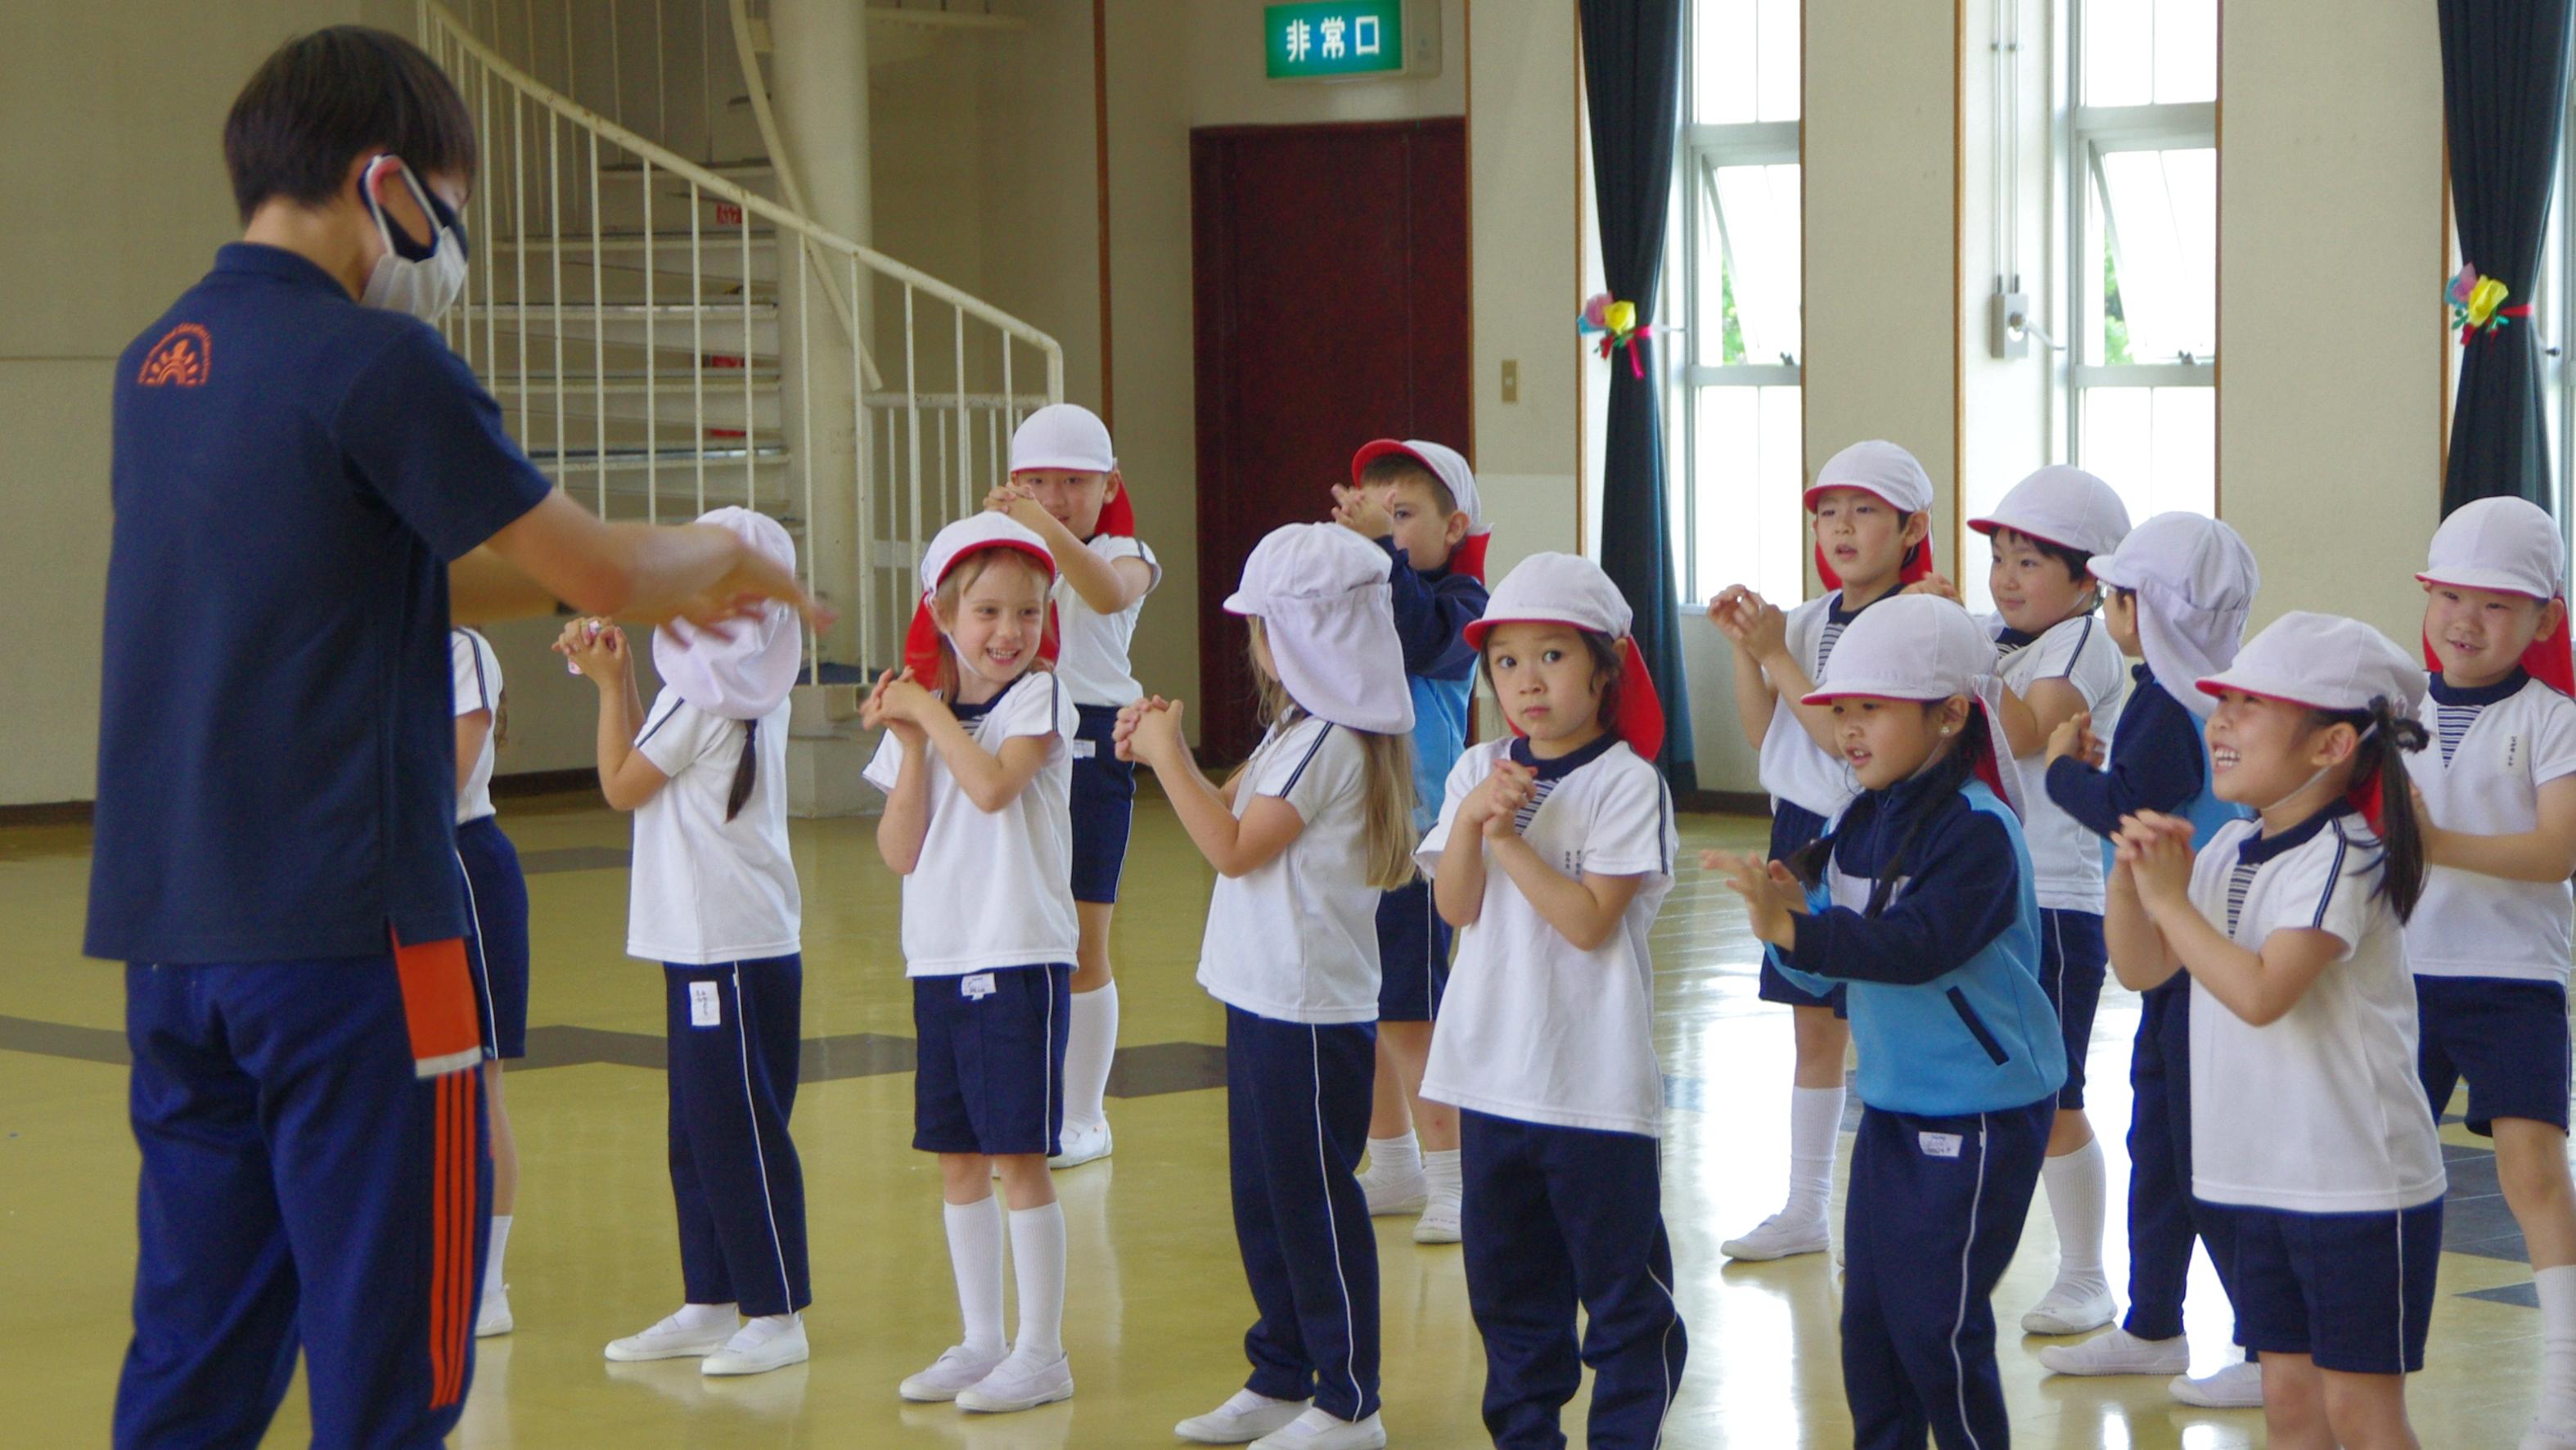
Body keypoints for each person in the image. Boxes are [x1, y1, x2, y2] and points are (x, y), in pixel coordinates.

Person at [91, 28, 819, 1448]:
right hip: (360, 937)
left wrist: (635, 569)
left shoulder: (158, 362)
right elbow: (600, 569)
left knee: (198, 1341)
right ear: (383, 184)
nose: (451, 238)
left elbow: (372, 564)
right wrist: (732, 561)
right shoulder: (381, 362)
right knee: (394, 1349)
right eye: (447, 200)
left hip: (176, 939)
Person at [1709, 593, 2065, 1449]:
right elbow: (1827, 944)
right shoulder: (1855, 818)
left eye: (1871, 707)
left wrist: (1800, 926)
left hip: (1980, 1112)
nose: (1847, 728)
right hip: (1895, 1106)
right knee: (1868, 1326)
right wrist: (1788, 924)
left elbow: (1916, 946)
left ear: (1948, 715)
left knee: (1934, 1324)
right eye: (1840, 708)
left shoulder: (1977, 832)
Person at [2105, 612, 2443, 1450]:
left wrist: (2169, 902)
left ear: (2331, 745)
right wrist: (2132, 885)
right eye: (2221, 703)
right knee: (2290, 1405)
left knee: (2362, 1414)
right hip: (2253, 1179)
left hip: (2355, 1186)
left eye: (2249, 705)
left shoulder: (2345, 854)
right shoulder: (2225, 848)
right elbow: (2144, 970)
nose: (2219, 722)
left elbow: (2262, 992)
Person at [1121, 524, 1416, 1450]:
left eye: (1264, 625)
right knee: (1264, 1196)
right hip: (1259, 995)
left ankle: (1349, 1398)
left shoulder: (1331, 739)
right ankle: (1283, 1370)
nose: (1255, 644)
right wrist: (1159, 750)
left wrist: (1166, 754)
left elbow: (1230, 846)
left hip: (1307, 1007)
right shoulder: (1298, 729)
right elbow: (1234, 806)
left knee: (1312, 1198)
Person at [1420, 553, 1685, 1449]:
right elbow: (1454, 907)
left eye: (1551, 657)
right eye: (1505, 661)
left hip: (1592, 1088)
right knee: (1507, 1291)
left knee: (1621, 1297)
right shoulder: (1477, 771)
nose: (1525, 681)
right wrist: (1469, 824)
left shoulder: (1626, 782)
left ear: (1603, 669)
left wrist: (1509, 840)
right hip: (1491, 1078)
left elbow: (1586, 921)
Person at [565, 507, 813, 1379]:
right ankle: (711, 1297)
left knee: (736, 1128)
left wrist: (603, 686)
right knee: (702, 1126)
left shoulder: (710, 695)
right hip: (723, 942)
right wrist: (625, 679)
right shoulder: (728, 687)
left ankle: (775, 1310)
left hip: (726, 948)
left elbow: (621, 782)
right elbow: (648, 750)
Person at [2029, 511, 2267, 1409]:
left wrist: (2060, 770)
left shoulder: (2169, 704)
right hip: (2173, 962)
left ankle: (2260, 1338)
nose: (2110, 609)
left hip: (2195, 956)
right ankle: (2154, 1321)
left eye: (2120, 595)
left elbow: (2127, 808)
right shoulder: (2179, 697)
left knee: (2201, 1153)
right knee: (2159, 1144)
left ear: (2147, 609)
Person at [865, 513, 1081, 1414]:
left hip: (1018, 952)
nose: (1009, 632)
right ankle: (981, 1337)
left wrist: (927, 713)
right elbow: (899, 851)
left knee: (1016, 1155)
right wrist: (913, 738)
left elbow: (994, 788)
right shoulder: (924, 716)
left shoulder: (1039, 697)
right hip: (941, 956)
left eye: (1026, 612)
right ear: (943, 613)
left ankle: (1041, 1349)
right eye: (987, 610)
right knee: (957, 1157)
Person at [1707, 439, 1939, 1263]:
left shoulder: (1911, 623)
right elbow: (1763, 731)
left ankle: (1890, 1206)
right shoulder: (1806, 618)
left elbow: (1848, 740)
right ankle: (1804, 1205)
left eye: (1863, 510)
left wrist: (1773, 653)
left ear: (1911, 526)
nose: (1840, 526)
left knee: (1881, 1024)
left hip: (1873, 833)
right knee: (1812, 1027)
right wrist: (1747, 648)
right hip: (1800, 833)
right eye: (1827, 510)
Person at [2403, 498, 2576, 1450]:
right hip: (2400, 976)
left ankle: (2563, 1388)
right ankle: (2317, 1361)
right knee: (2374, 1172)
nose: (2464, 620)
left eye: (2496, 605)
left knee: (2531, 1173)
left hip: (2513, 976)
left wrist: (2434, 842)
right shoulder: (2398, 708)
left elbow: (2556, 851)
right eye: (2448, 597)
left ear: (2545, 618)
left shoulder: (2553, 719)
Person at [1961, 468, 2133, 1336]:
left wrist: (1952, 659)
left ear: (2086, 579)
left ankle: (2085, 1273)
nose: (2005, 574)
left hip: (2056, 903)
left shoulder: (2077, 644)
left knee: (2056, 1093)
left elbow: (2027, 730)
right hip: (1991, 891)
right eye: (1998, 556)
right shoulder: (2000, 642)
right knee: (1991, 1086)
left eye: (2029, 560)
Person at [983, 404, 1155, 1170]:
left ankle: (1084, 1116)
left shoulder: (1129, 551)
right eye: (1037, 482)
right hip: (1020, 729)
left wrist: (1036, 528)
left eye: (1074, 483)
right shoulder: (1006, 551)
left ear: (1108, 484)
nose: (1054, 497)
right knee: (1024, 934)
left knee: (1086, 938)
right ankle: (1033, 1109)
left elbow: (1105, 593)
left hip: (1094, 738)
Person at [1332, 438, 1492, 1243]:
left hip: (1419, 831)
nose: (1388, 531)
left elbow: (1422, 630)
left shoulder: (1462, 600)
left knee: (1409, 1010)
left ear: (1452, 523)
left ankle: (1452, 1175)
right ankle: (1390, 1160)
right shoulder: (1369, 590)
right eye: (1375, 513)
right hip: (1354, 822)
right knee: (1364, 1004)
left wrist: (1377, 555)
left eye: (1403, 515)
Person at [453, 624, 531, 1340]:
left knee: (480, 1080)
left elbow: (443, 777)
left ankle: (486, 1284)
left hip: (461, 865)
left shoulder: (461, 646)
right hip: (367, 871)